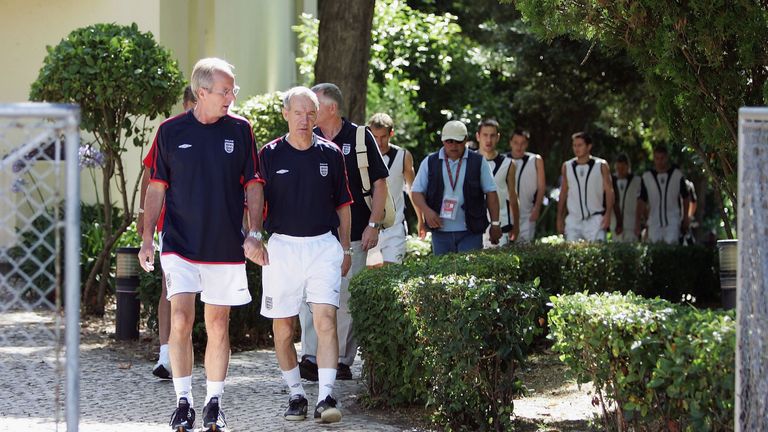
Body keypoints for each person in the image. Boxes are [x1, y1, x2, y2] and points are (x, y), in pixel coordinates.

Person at [138, 57, 263, 432]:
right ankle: (183, 402)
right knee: (180, 318)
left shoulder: (241, 130)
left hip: (225, 244)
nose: (232, 96)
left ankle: (213, 403)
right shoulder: (170, 131)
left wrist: (254, 232)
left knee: (218, 323)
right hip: (179, 244)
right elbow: (156, 188)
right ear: (202, 92)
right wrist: (147, 239)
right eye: (226, 90)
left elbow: (253, 184)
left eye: (233, 90)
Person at [256, 86, 351, 423]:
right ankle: (296, 394)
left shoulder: (331, 153)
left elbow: (343, 204)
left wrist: (345, 246)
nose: (305, 119)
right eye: (298, 112)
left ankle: (326, 396)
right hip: (281, 248)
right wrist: (252, 238)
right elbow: (251, 200)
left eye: (311, 113)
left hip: (323, 246)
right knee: (283, 329)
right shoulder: (268, 154)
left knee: (325, 320)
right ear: (286, 114)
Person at [298, 83, 389, 382]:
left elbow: (379, 184)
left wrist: (373, 225)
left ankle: (341, 360)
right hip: (316, 236)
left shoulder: (360, 137)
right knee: (311, 299)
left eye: (315, 106)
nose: (310, 112)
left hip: (355, 235)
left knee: (346, 298)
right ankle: (311, 356)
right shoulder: (306, 139)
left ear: (332, 109)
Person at [137, 85, 196, 381]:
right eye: (194, 103)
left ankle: (203, 354)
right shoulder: (170, 131)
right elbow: (150, 175)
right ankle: (165, 354)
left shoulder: (229, 130)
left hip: (211, 229)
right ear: (187, 102)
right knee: (169, 289)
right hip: (170, 225)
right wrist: (142, 216)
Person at [411, 120, 501, 254]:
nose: (453, 146)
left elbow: (491, 194)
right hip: (440, 232)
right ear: (442, 141)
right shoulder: (430, 162)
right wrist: (427, 212)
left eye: (458, 141)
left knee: (469, 273)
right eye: (449, 141)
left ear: (465, 140)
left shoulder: (478, 162)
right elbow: (416, 192)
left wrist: (495, 224)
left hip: (471, 231)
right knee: (441, 274)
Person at [365, 112, 418, 266]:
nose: (379, 142)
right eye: (375, 137)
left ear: (391, 134)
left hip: (395, 226)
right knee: (370, 277)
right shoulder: (362, 157)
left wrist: (421, 219)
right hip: (369, 225)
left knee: (392, 273)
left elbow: (411, 189)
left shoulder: (403, 156)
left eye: (383, 137)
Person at [556, 132, 614, 242]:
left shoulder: (601, 165)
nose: (576, 148)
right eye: (574, 145)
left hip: (595, 219)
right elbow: (563, 192)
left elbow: (609, 191)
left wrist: (608, 214)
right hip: (574, 219)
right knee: (572, 254)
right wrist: (559, 218)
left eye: (580, 145)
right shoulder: (567, 166)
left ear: (589, 146)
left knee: (597, 254)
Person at [475, 118, 519, 246]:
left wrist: (516, 225)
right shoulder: (469, 162)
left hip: (501, 225)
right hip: (474, 225)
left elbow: (513, 196)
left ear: (498, 137)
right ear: (478, 136)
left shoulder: (508, 163)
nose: (488, 140)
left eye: (492, 135)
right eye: (485, 135)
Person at [635, 145, 690, 244]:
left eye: (662, 158)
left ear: (667, 158)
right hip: (654, 221)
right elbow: (641, 200)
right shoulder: (647, 177)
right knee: (655, 250)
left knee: (672, 247)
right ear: (654, 158)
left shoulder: (677, 175)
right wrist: (638, 222)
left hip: (673, 220)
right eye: (657, 158)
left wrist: (685, 217)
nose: (660, 161)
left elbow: (685, 197)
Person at [507, 129, 546, 242]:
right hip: (507, 214)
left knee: (525, 246)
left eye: (522, 143)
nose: (519, 146)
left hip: (527, 212)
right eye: (516, 142)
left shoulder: (535, 160)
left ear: (527, 144)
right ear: (510, 143)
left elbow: (541, 186)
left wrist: (537, 208)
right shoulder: (503, 159)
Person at [610, 154, 641, 242]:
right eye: (618, 168)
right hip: (615, 225)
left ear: (628, 167)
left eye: (623, 168)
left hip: (631, 225)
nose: (620, 171)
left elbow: (641, 202)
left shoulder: (637, 181)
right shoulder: (611, 181)